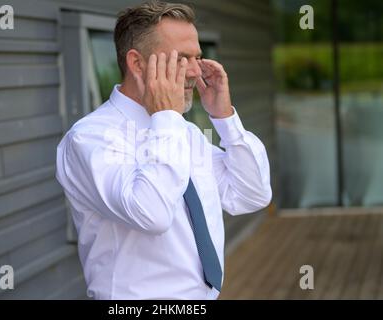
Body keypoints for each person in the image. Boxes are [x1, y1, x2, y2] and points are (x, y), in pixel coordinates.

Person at [56, 0, 272, 300]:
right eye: (182, 58)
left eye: (198, 57)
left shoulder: (186, 134)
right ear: (137, 64)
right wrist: (167, 117)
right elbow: (151, 213)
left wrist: (224, 118)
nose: (196, 71)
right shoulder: (89, 139)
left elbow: (252, 193)